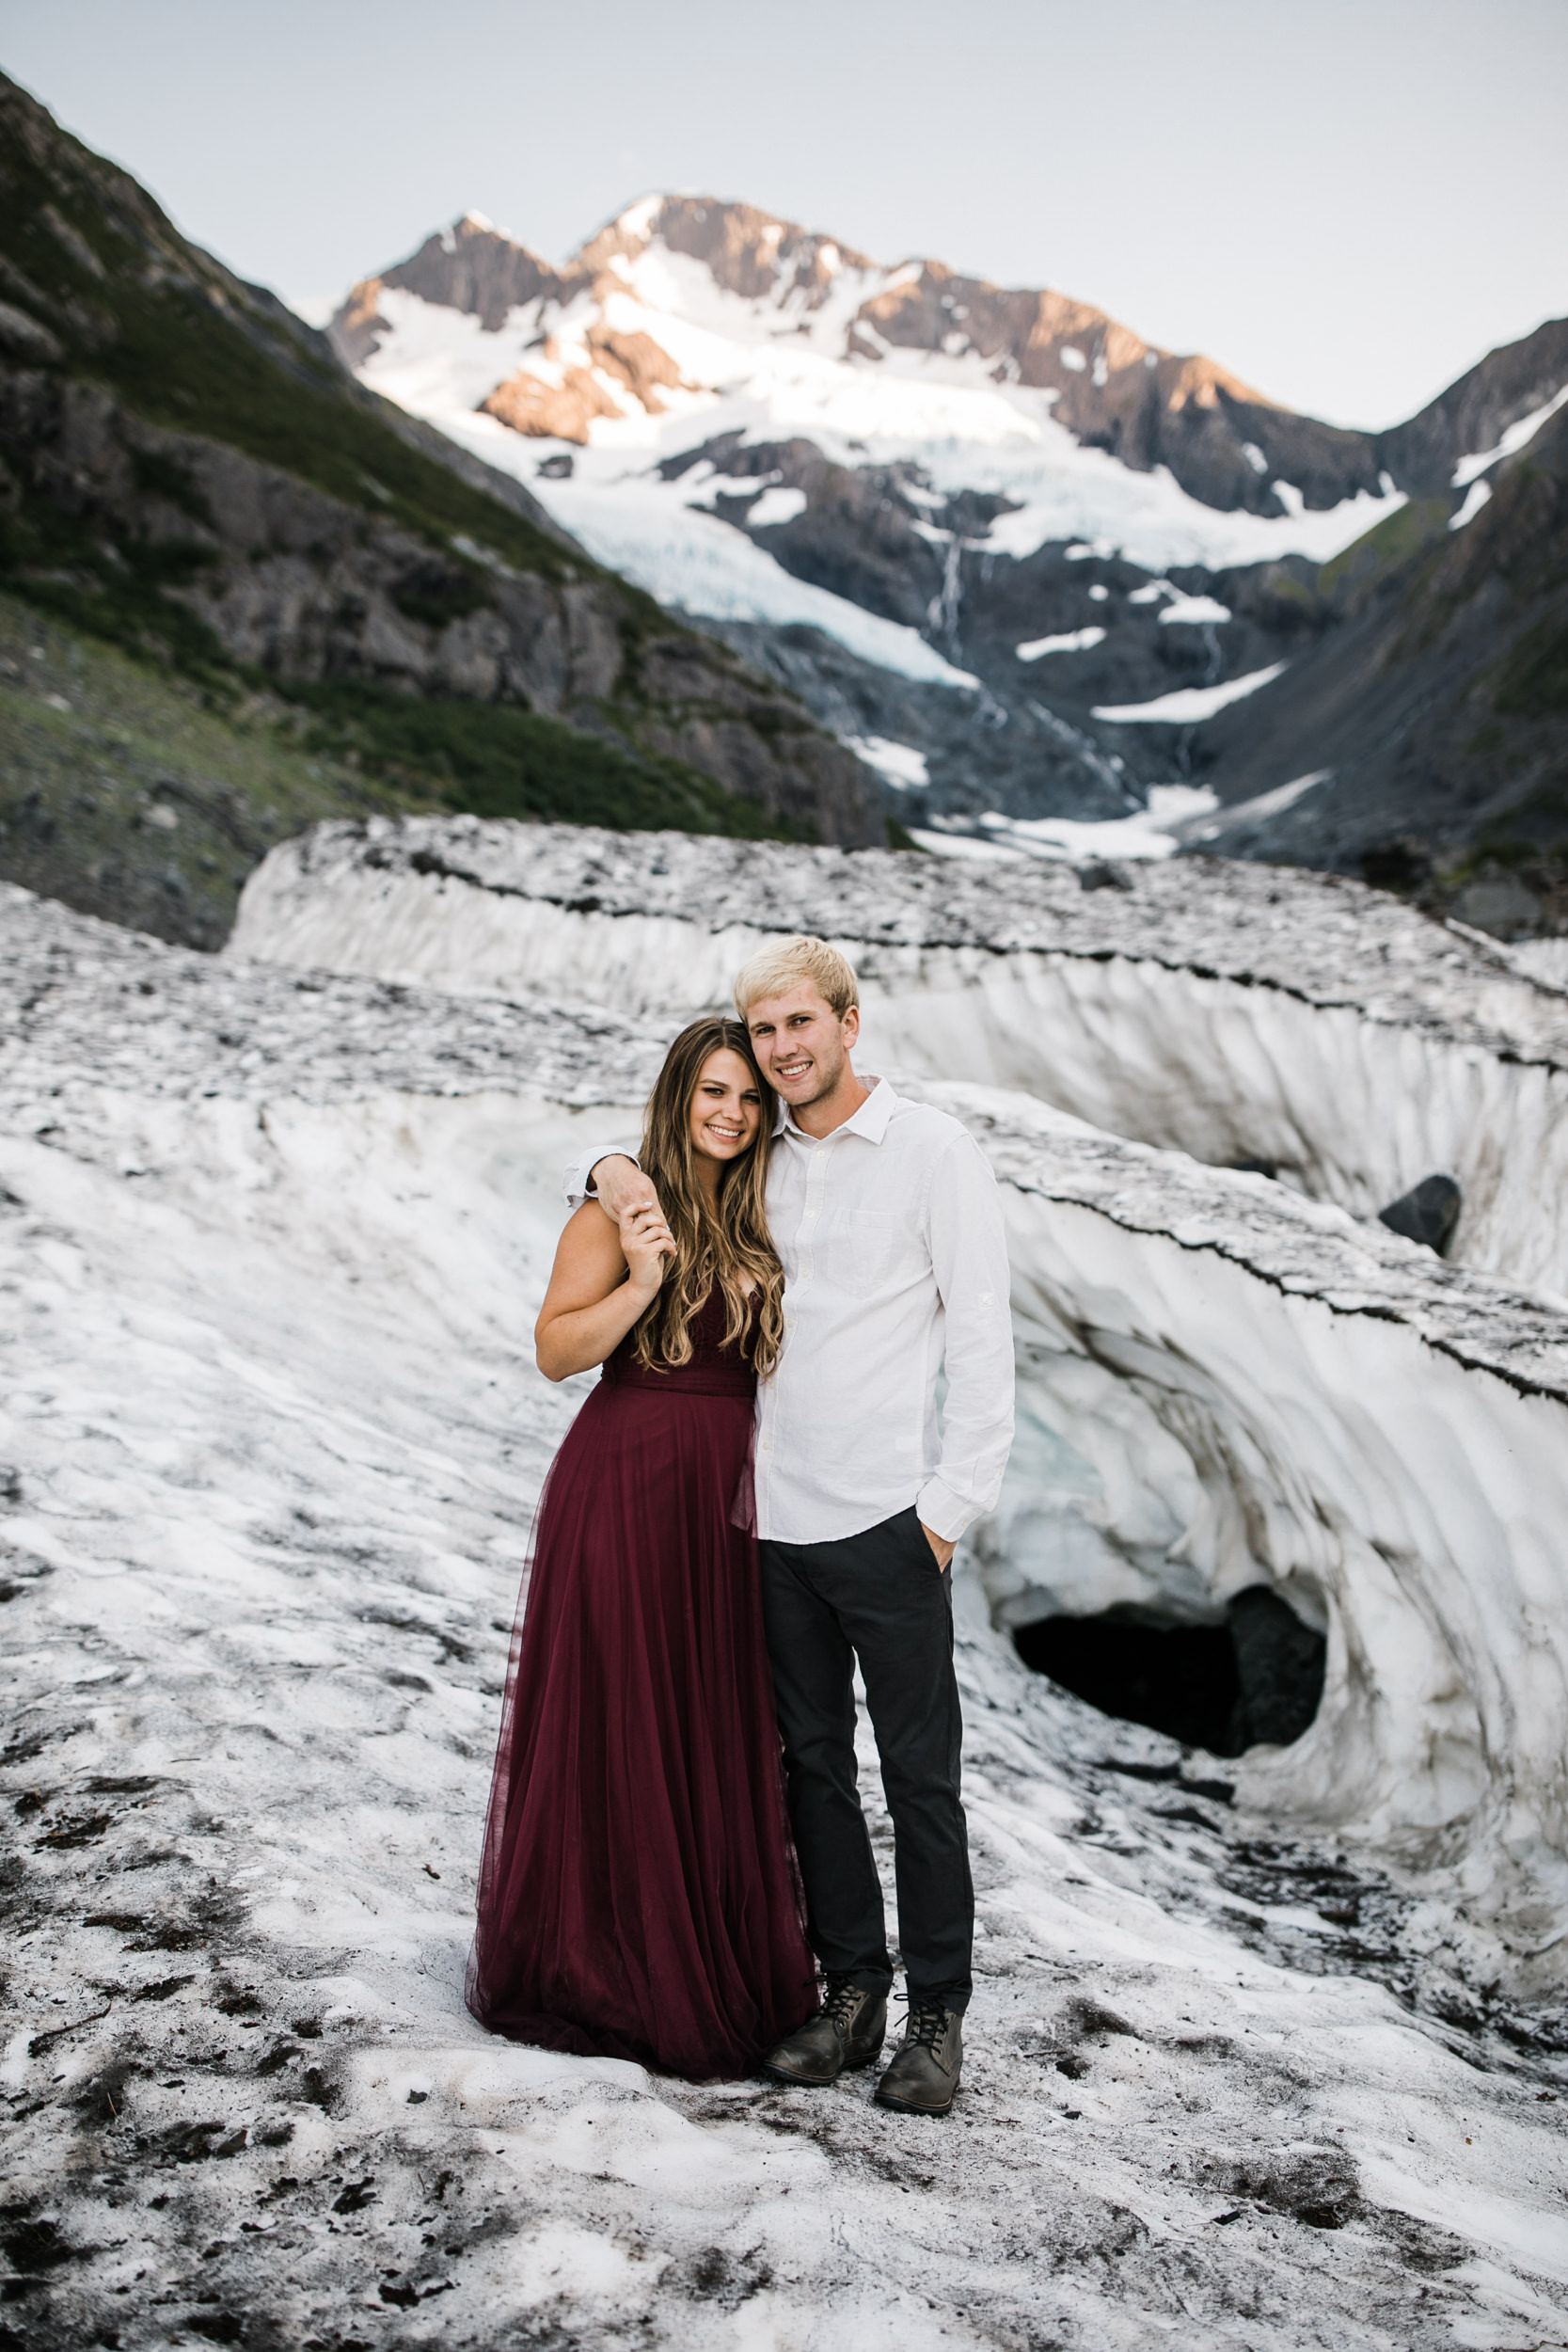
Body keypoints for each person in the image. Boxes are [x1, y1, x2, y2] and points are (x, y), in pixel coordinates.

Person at [575, 938, 1014, 2117]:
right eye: (762, 1032)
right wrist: (609, 1167)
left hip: (887, 1522)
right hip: (767, 1525)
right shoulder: (754, 1152)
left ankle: (936, 2020)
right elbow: (646, 1162)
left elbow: (979, 1336)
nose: (779, 1050)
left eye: (797, 1026)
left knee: (921, 1779)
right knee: (808, 1769)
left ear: (848, 1021)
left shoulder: (931, 1151)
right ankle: (849, 1995)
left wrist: (945, 1513)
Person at [467, 1016, 817, 2078]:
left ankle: (706, 1954)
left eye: (752, 1097)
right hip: (624, 1477)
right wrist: (638, 1282)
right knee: (620, 1717)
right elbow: (552, 1351)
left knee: (709, 1722)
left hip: (725, 1497)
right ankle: (608, 1969)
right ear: (679, 1094)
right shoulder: (622, 1210)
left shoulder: (762, 1205)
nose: (733, 1112)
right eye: (716, 1090)